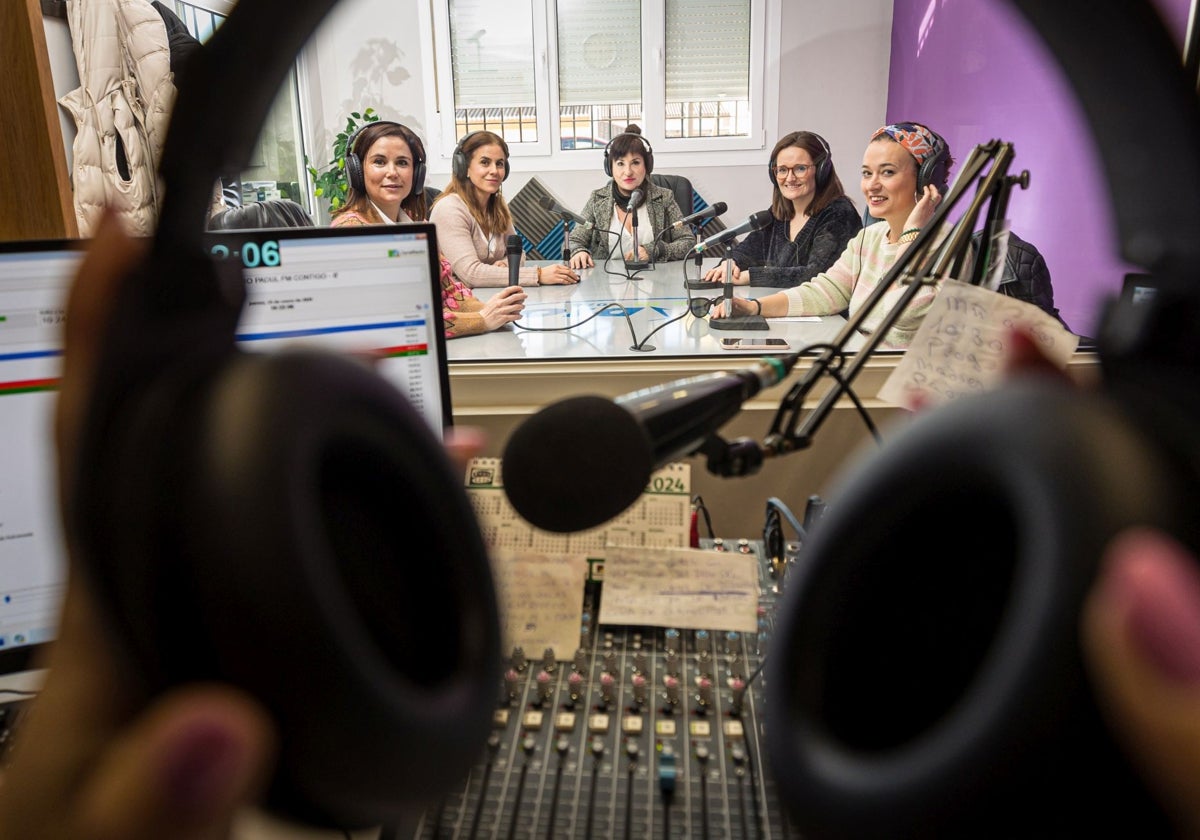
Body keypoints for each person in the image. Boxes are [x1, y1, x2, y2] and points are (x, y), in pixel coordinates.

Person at [713, 121, 952, 348]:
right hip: (855, 361)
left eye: (887, 172)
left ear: (926, 179)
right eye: (867, 173)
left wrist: (911, 235)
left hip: (893, 376)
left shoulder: (947, 243)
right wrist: (753, 307)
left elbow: (904, 313)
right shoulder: (869, 238)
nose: (872, 185)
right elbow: (826, 291)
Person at [331, 120, 526, 338]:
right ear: (356, 170)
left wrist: (492, 309)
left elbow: (451, 291)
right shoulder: (350, 232)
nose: (392, 172)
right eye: (379, 162)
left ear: (416, 173)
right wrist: (481, 319)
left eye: (403, 163)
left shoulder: (414, 225)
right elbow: (397, 318)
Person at [702, 130, 862, 287]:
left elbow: (817, 275)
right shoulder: (779, 212)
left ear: (821, 170)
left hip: (826, 312)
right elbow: (750, 248)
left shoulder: (839, 214)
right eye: (782, 170)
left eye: (800, 168)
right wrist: (731, 263)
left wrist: (752, 276)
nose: (790, 178)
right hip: (783, 306)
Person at [430, 130, 578, 288]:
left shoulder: (497, 206)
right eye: (485, 162)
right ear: (463, 167)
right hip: (459, 307)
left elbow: (518, 253)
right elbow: (471, 274)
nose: (494, 171)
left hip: (492, 299)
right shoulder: (450, 209)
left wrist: (505, 265)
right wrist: (539, 275)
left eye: (499, 163)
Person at [567, 125, 692, 268]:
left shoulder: (664, 197)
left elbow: (688, 242)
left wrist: (653, 250)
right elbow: (574, 239)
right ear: (610, 168)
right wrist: (578, 251)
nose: (628, 172)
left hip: (657, 282)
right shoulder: (598, 198)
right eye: (620, 163)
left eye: (635, 163)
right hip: (606, 283)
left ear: (647, 166)